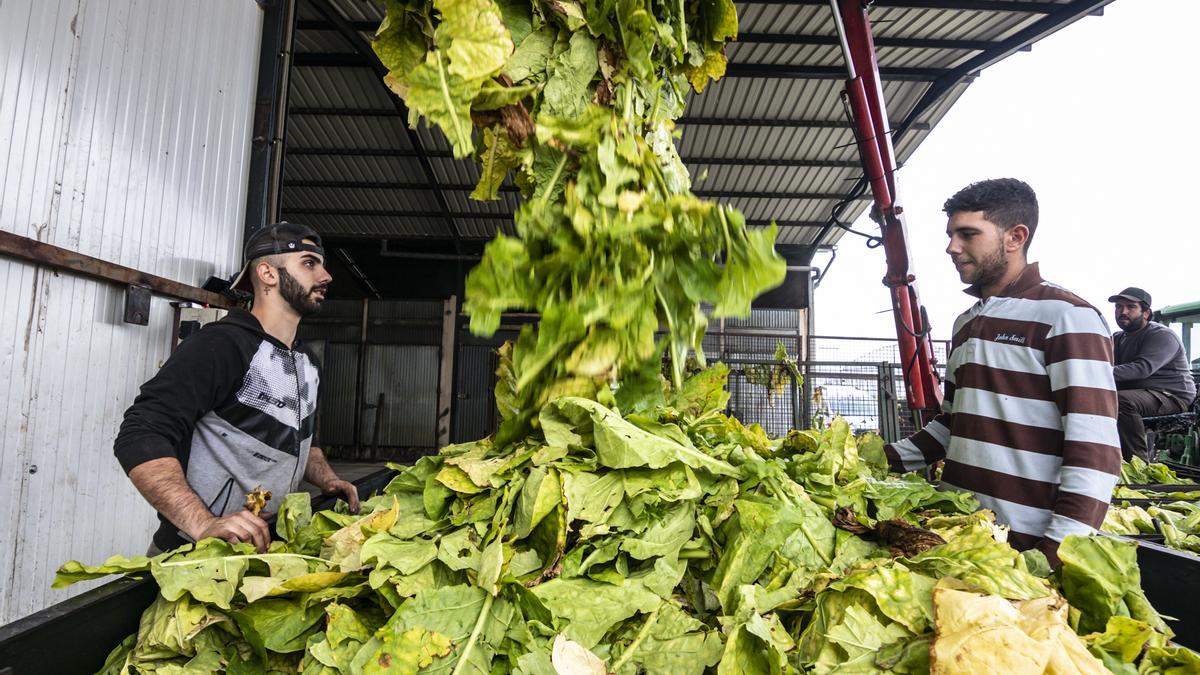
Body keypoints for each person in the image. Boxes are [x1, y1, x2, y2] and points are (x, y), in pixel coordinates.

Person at [883, 179, 1121, 565]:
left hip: (1023, 549)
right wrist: (880, 459)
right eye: (950, 235)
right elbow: (953, 423)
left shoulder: (1068, 316)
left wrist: (1058, 551)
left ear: (1015, 237)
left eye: (968, 234)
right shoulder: (966, 322)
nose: (952, 247)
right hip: (954, 535)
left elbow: (1094, 447)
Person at [114, 222, 359, 554]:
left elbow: (302, 437)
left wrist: (327, 478)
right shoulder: (220, 345)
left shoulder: (306, 361)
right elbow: (140, 434)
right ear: (268, 274)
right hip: (196, 558)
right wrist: (202, 523)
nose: (326, 276)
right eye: (309, 263)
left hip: (266, 553)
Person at [1108, 287, 1196, 461]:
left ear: (1146, 313)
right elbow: (1095, 360)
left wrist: (1095, 372)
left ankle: (1136, 464)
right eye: (1118, 307)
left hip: (1171, 396)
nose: (1122, 312)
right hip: (1141, 394)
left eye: (1130, 307)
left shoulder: (1161, 336)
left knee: (1120, 401)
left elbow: (1142, 368)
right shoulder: (1117, 338)